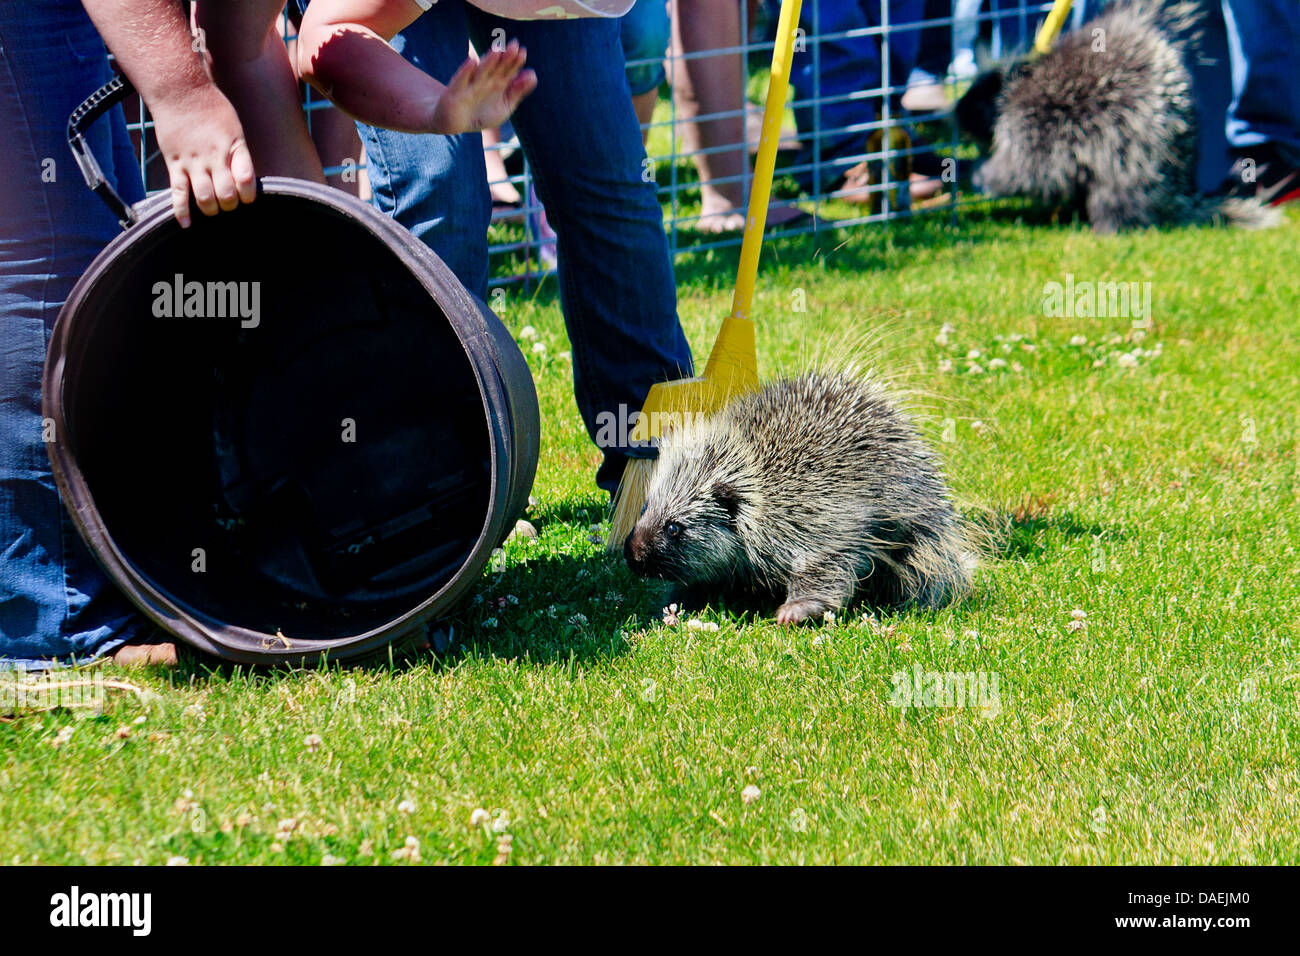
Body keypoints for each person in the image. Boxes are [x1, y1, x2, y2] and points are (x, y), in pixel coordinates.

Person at [297, 0, 693, 494]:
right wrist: (434, 111)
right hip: (372, 16)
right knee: (442, 194)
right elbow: (325, 37)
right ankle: (448, 480)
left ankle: (657, 463)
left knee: (608, 179)